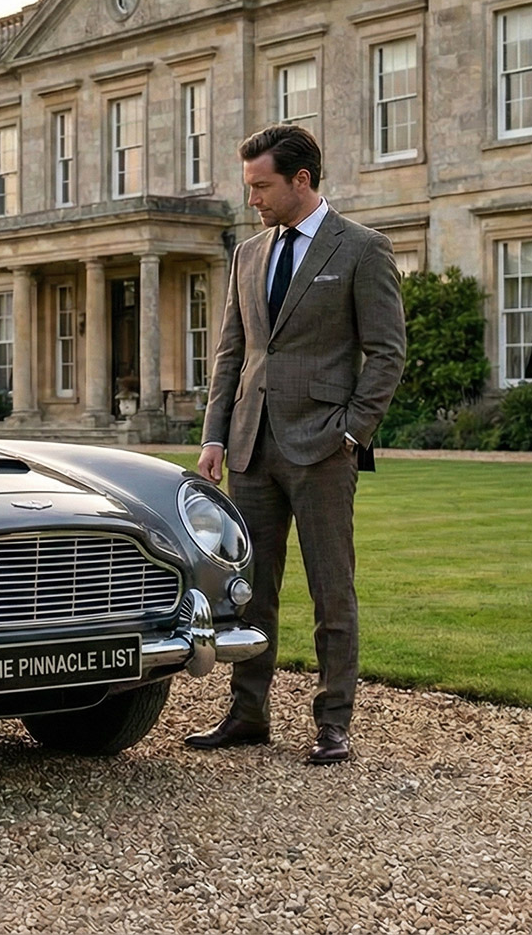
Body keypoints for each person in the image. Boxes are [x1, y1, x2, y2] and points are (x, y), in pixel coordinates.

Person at [187, 123, 406, 765]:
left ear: (301, 180)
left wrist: (352, 432)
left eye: (261, 186)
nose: (251, 198)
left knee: (331, 590)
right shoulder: (247, 254)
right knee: (251, 590)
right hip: (251, 446)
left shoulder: (362, 248)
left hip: (323, 448)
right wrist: (214, 435)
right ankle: (248, 714)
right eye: (249, 185)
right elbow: (231, 353)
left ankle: (334, 722)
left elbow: (387, 353)